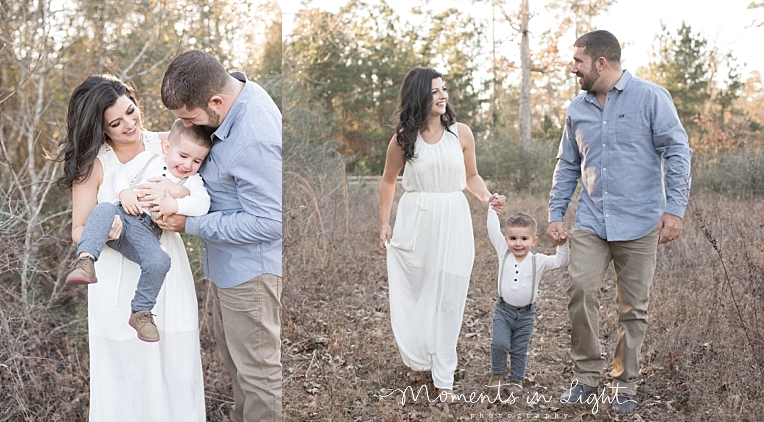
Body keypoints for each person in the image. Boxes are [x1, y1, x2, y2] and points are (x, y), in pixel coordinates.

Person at [547, 30, 692, 414]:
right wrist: (555, 213)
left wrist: (675, 209)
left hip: (641, 222)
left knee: (633, 309)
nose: (572, 67)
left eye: (578, 61)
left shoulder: (651, 97)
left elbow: (677, 150)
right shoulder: (577, 109)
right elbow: (567, 165)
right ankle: (586, 377)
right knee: (580, 291)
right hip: (592, 221)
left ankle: (624, 383)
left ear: (601, 63)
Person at [55, 75, 205, 421]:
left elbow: (200, 189)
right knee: (128, 375)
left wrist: (178, 199)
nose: (129, 125)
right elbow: (79, 229)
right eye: (116, 123)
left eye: (131, 112)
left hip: (165, 269)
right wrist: (105, 230)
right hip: (117, 277)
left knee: (176, 367)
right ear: (100, 128)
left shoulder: (169, 144)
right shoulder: (95, 165)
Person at [149, 50, 282, 422]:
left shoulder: (253, 136)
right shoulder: (235, 99)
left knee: (259, 377)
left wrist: (188, 223)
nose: (186, 126)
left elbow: (270, 222)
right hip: (228, 265)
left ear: (216, 102)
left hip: (250, 273)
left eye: (190, 118)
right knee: (242, 369)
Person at [379, 67, 506, 401]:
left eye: (444, 89)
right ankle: (421, 356)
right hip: (417, 220)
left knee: (450, 293)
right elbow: (388, 181)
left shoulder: (461, 133)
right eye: (435, 90)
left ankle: (444, 374)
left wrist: (486, 196)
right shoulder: (403, 139)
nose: (443, 95)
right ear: (420, 95)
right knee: (419, 292)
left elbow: (472, 176)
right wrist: (384, 222)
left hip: (453, 219)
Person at [65, 119, 212, 342]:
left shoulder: (191, 180)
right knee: (103, 209)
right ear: (166, 147)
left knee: (161, 261)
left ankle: (141, 312)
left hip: (146, 231)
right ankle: (85, 260)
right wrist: (124, 193)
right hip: (121, 216)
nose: (187, 165)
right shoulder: (148, 159)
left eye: (196, 161)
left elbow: (203, 203)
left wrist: (176, 203)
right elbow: (121, 175)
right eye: (183, 156)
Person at [487, 209, 568, 395]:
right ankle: (497, 374)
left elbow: (560, 261)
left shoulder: (537, 261)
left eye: (524, 239)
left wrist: (562, 244)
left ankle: (516, 379)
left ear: (534, 241)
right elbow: (492, 229)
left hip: (526, 313)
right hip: (503, 310)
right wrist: (493, 209)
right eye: (513, 238)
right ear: (506, 239)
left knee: (519, 348)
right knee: (499, 343)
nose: (518, 243)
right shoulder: (503, 253)